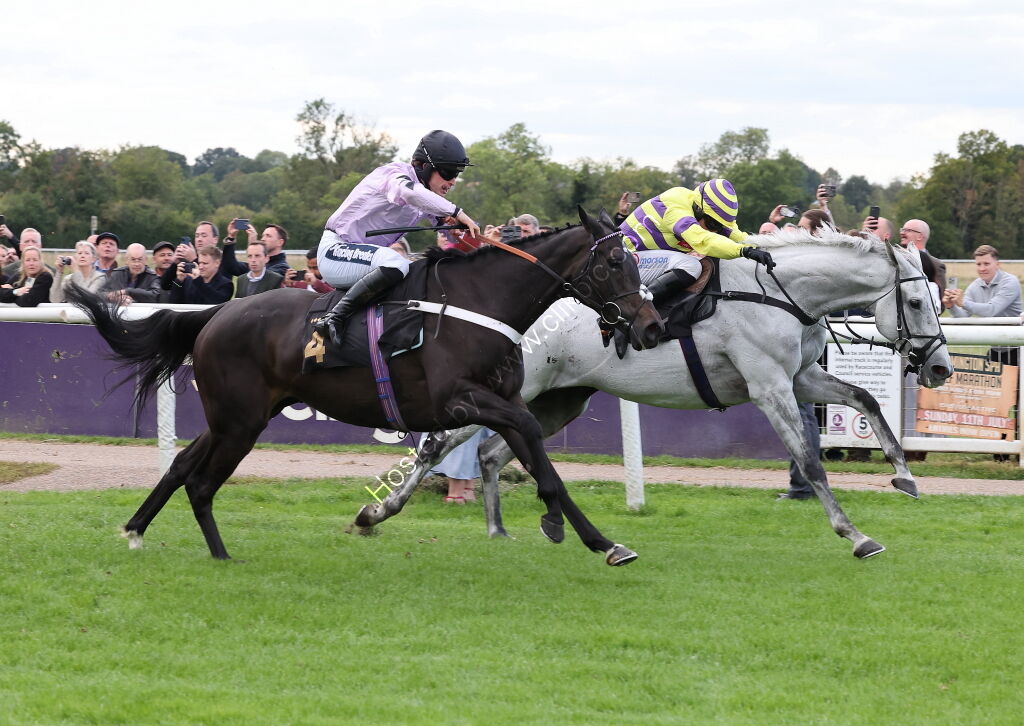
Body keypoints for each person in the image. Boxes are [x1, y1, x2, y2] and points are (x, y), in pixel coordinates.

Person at [314, 129, 480, 344]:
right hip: (335, 252)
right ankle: (333, 318)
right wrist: (456, 212)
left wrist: (456, 231)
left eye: (457, 175)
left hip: (360, 260)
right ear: (423, 166)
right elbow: (410, 193)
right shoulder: (394, 175)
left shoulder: (425, 195)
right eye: (448, 173)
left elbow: (444, 229)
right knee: (397, 263)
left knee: (413, 270)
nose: (454, 181)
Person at [619, 179, 774, 303]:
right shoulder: (675, 205)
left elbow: (739, 236)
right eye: (712, 224)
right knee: (690, 265)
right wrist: (744, 251)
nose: (714, 231)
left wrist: (762, 248)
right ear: (698, 209)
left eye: (719, 227)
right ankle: (637, 307)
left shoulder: (709, 213)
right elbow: (703, 240)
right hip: (622, 261)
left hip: (645, 261)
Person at [944, 244, 1022, 318]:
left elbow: (991, 310)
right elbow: (963, 315)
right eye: (978, 264)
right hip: (988, 330)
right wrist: (951, 306)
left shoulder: (1010, 282)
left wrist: (963, 303)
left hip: (1012, 330)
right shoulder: (974, 286)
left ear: (997, 264)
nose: (982, 269)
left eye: (986, 264)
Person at [899, 219, 946, 300]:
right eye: (902, 230)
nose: (902, 233)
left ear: (920, 236)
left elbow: (940, 302)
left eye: (908, 230)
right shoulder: (895, 259)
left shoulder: (936, 265)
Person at [168, 247, 233, 304]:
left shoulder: (226, 284)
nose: (201, 267)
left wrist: (198, 281)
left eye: (205, 263)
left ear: (217, 263)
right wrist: (178, 281)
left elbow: (217, 302)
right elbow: (173, 302)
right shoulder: (189, 281)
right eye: (199, 263)